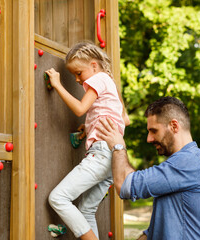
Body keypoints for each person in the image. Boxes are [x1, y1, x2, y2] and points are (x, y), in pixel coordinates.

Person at [97, 96, 200, 240]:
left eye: (154, 131)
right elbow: (153, 233)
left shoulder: (190, 162)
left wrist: (118, 146)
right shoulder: (182, 164)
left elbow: (124, 184)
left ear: (174, 126)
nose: (149, 139)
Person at [45, 42, 130, 240]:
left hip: (101, 154)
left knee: (58, 198)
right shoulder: (109, 82)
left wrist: (57, 84)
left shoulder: (100, 78)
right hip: (113, 159)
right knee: (86, 210)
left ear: (94, 65)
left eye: (79, 73)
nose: (76, 79)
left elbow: (80, 109)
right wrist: (91, 126)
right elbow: (124, 119)